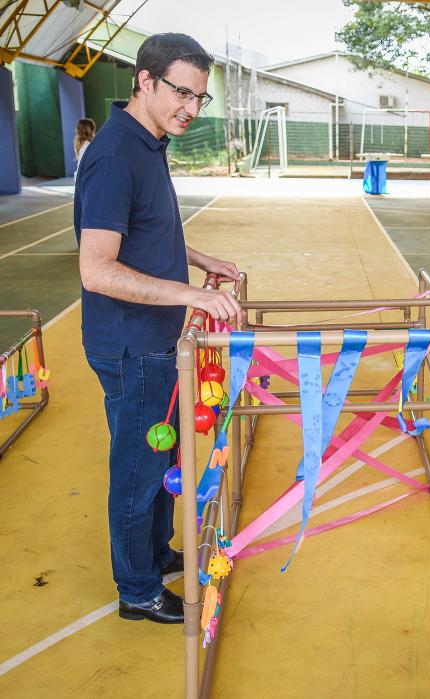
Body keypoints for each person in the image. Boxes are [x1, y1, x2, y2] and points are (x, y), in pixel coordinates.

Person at [75, 33, 243, 625]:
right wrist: (193, 294)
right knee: (138, 471)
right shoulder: (116, 155)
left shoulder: (149, 143)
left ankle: (154, 552)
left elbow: (145, 231)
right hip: (132, 345)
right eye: (181, 93)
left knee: (162, 456)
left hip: (157, 341)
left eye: (199, 97)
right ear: (144, 81)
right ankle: (137, 590)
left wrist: (198, 260)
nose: (191, 110)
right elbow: (97, 269)